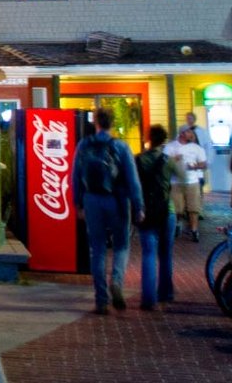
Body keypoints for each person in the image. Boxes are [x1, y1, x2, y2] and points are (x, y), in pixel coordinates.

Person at [73, 109, 143, 315]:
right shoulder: (120, 146)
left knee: (97, 249)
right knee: (121, 245)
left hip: (92, 200)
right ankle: (117, 282)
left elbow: (75, 176)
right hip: (117, 200)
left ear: (95, 122)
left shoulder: (84, 145)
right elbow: (132, 179)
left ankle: (101, 300)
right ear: (112, 123)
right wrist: (138, 206)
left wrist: (77, 203)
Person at [134, 125, 178, 310]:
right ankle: (166, 292)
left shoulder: (139, 160)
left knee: (149, 254)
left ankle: (148, 298)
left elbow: (133, 185)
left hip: (146, 211)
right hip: (167, 210)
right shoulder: (169, 161)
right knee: (166, 253)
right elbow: (180, 179)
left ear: (149, 138)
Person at [167, 126, 209, 242]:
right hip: (176, 182)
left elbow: (204, 164)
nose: (191, 134)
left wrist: (196, 166)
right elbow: (164, 163)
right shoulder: (171, 147)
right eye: (189, 132)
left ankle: (194, 230)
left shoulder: (197, 148)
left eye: (191, 132)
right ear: (182, 133)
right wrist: (174, 160)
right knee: (177, 208)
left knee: (193, 208)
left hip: (192, 181)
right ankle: (178, 225)